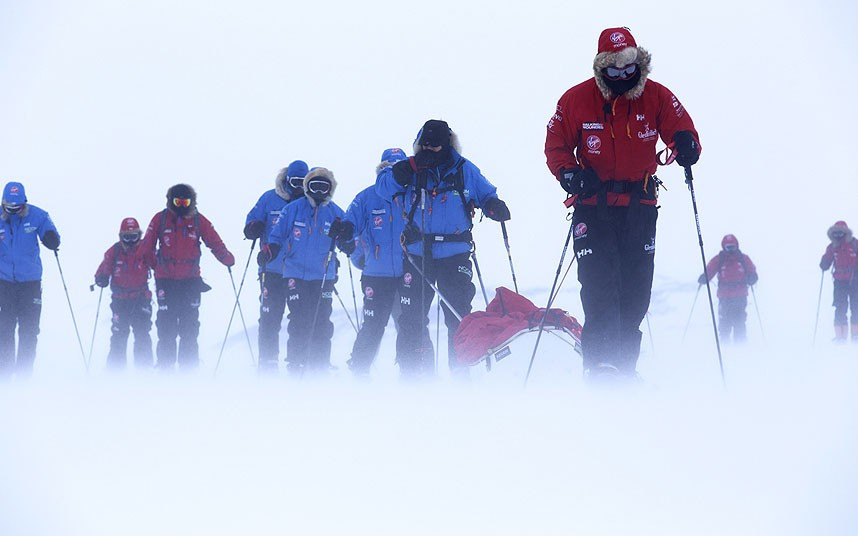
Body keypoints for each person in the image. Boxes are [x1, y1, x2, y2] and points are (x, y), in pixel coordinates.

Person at [545, 27, 701, 383]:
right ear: (601, 68)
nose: (621, 75)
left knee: (635, 293)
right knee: (600, 287)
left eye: (628, 67)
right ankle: (599, 370)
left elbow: (682, 127)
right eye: (612, 69)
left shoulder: (656, 96)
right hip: (593, 207)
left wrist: (686, 143)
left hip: (640, 206)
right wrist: (569, 175)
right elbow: (555, 145)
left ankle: (624, 370)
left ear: (639, 63)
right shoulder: (575, 100)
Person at [377, 120, 510, 378]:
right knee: (412, 317)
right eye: (424, 145)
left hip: (455, 253)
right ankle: (413, 376)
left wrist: (493, 205)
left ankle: (461, 374)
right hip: (417, 254)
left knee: (458, 317)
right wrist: (408, 167)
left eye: (434, 145)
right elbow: (382, 188)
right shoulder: (409, 169)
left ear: (446, 144)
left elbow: (485, 193)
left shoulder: (463, 170)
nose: (428, 149)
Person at [141, 184, 235, 371]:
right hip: (165, 282)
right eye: (178, 202)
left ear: (192, 201)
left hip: (190, 282)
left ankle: (188, 368)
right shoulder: (160, 219)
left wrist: (226, 258)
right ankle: (165, 367)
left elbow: (214, 241)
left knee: (189, 327)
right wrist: (156, 266)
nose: (182, 206)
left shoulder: (199, 221)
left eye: (186, 202)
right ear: (170, 201)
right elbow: (146, 247)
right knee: (166, 326)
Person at [264, 168, 348, 375]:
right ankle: (296, 361)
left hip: (323, 276)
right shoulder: (293, 209)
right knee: (299, 318)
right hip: (295, 274)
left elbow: (349, 241)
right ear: (307, 187)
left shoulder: (336, 213)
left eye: (323, 186)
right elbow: (277, 236)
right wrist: (270, 251)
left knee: (322, 318)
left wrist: (346, 238)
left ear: (330, 189)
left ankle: (319, 363)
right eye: (314, 186)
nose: (319, 191)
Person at [343, 148, 411, 376]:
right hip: (376, 275)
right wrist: (357, 256)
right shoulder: (366, 197)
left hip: (408, 273)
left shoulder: (414, 194)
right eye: (388, 169)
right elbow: (348, 226)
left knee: (410, 325)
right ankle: (359, 369)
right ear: (382, 170)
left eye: (398, 168)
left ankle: (414, 371)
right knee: (373, 325)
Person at [244, 160, 309, 372]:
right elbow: (250, 221)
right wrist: (253, 228)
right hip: (271, 269)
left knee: (299, 318)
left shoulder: (310, 202)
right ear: (287, 179)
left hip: (298, 272)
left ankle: (297, 359)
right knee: (270, 316)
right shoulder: (269, 199)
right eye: (294, 181)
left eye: (302, 181)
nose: (298, 186)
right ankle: (268, 360)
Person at [0, 182, 60, 378]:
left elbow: (49, 229)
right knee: (5, 329)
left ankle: (25, 375)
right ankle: (6, 375)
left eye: (17, 207)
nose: (14, 211)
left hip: (30, 284)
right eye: (9, 207)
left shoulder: (37, 215)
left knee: (29, 330)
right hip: (5, 283)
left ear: (24, 203)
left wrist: (51, 238)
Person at [94, 217, 156, 369]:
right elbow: (102, 271)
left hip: (141, 299)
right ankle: (115, 374)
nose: (130, 241)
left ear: (139, 236)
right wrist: (101, 278)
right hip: (120, 301)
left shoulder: (146, 251)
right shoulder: (113, 252)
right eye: (126, 237)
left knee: (142, 335)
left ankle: (144, 371)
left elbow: (159, 266)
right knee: (119, 336)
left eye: (134, 236)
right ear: (121, 236)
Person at [698, 234, 758, 344]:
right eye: (728, 247)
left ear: (737, 246)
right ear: (724, 247)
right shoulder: (719, 259)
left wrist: (753, 277)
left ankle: (740, 347)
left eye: (733, 247)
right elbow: (710, 270)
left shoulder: (743, 259)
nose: (731, 250)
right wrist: (704, 277)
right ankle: (725, 346)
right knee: (724, 322)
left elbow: (752, 271)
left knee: (739, 321)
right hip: (724, 297)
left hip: (740, 296)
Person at [819, 220, 858, 342]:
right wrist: (824, 263)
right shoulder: (832, 247)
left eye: (841, 232)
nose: (839, 235)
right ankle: (840, 336)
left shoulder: (854, 244)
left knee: (856, 307)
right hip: (839, 282)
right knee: (840, 307)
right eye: (836, 233)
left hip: (855, 281)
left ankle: (855, 335)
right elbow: (827, 260)